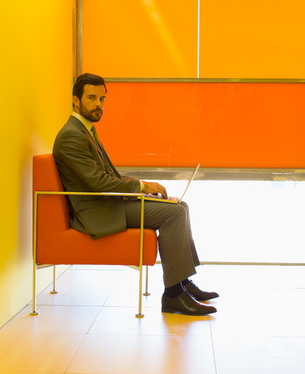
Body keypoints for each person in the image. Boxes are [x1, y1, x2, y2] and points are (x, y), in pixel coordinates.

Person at [52, 73, 218, 316]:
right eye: (92, 98)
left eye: (102, 99)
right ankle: (173, 295)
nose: (99, 104)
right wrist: (141, 187)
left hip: (107, 202)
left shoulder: (85, 131)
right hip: (97, 211)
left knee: (181, 206)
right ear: (76, 101)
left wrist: (141, 188)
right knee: (173, 214)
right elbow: (98, 183)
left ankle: (183, 283)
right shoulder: (70, 136)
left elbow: (107, 177)